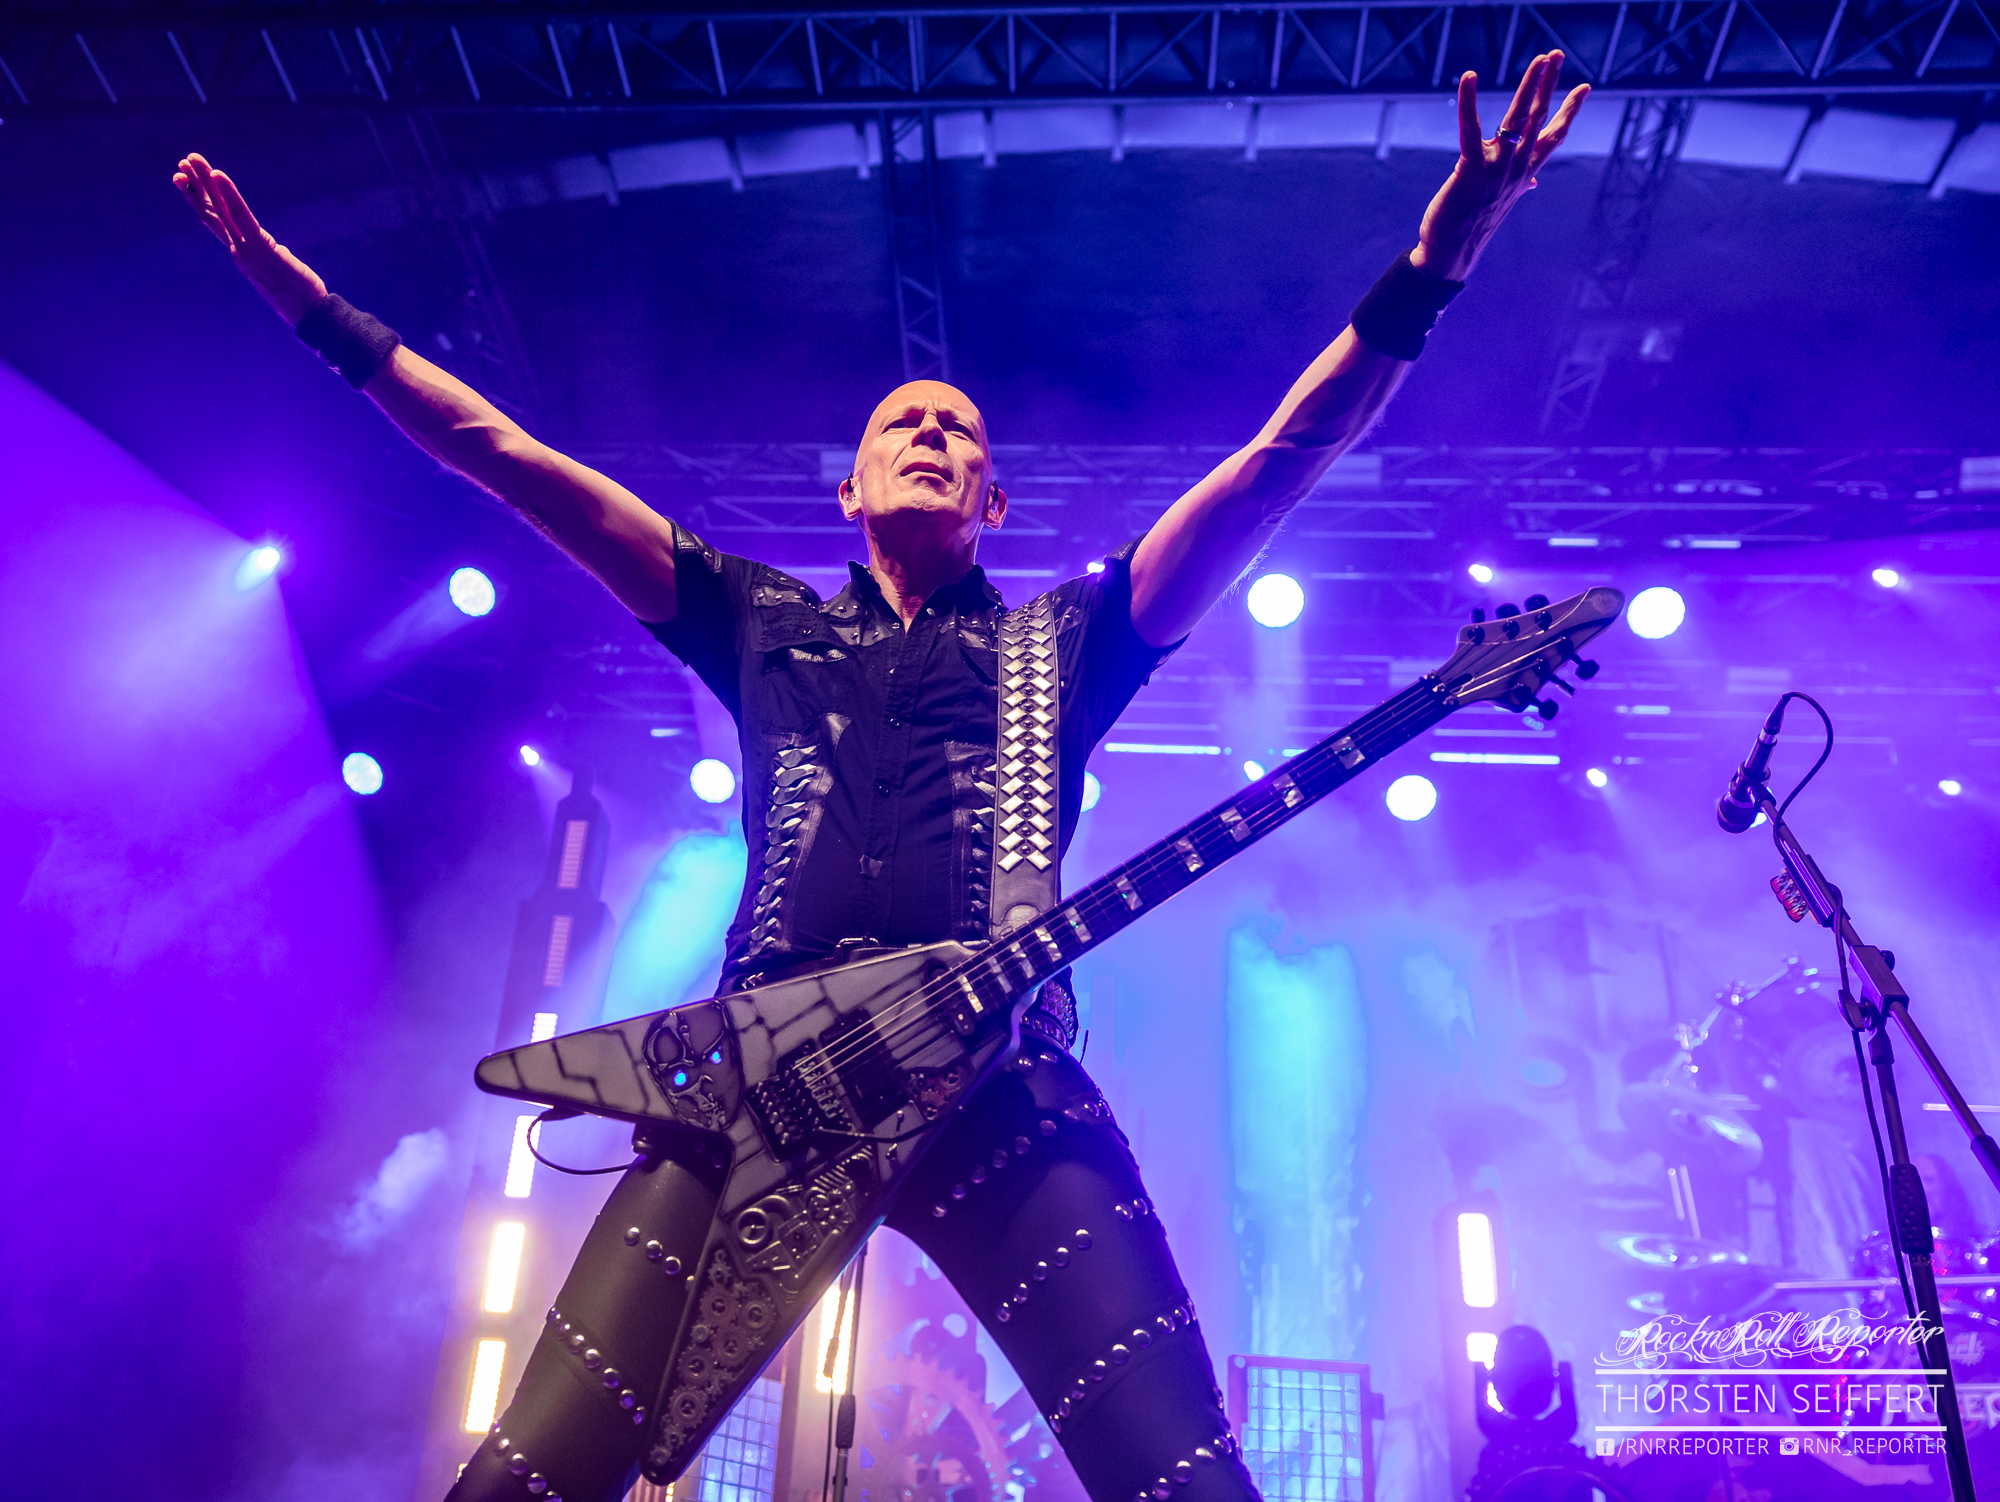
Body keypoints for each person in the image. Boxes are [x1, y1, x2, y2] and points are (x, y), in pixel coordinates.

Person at [176, 53, 1587, 1502]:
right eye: (902, 421)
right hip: (758, 1089)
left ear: (993, 500)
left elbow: (1276, 462)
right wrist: (314, 308)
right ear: (847, 490)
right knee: (529, 1476)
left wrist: (1434, 264)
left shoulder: (1065, 643)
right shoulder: (756, 620)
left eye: (960, 430)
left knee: (1187, 1482)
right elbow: (509, 457)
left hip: (1003, 1091)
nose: (931, 432)